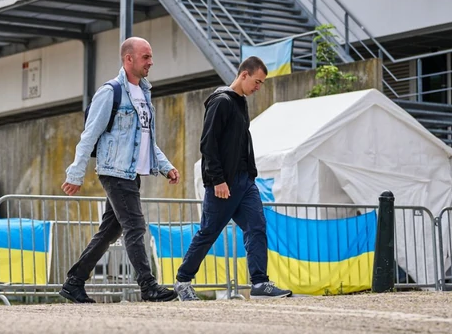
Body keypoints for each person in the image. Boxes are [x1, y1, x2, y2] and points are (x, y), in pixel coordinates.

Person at [60, 37, 179, 304]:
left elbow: (146, 139)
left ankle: (74, 282)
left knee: (111, 231)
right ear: (129, 59)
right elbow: (89, 135)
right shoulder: (110, 92)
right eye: (146, 57)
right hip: (115, 171)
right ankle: (148, 286)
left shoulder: (144, 94)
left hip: (132, 173)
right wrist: (76, 173)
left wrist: (166, 166)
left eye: (150, 56)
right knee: (135, 226)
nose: (151, 62)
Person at [173, 57, 293, 301]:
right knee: (208, 232)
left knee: (257, 226)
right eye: (257, 81)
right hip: (223, 184)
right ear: (244, 75)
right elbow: (208, 144)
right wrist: (217, 180)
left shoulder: (240, 103)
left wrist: (250, 175)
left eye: (261, 83)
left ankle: (260, 283)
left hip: (245, 182)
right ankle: (183, 281)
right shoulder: (221, 102)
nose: (258, 87)